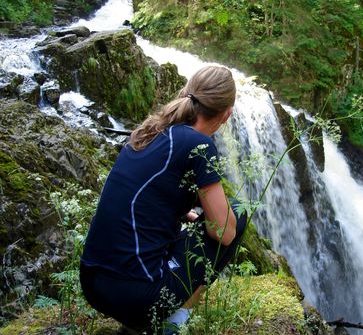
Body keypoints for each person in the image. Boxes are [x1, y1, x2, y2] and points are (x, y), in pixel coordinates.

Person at [80, 66, 247, 334]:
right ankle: (169, 327)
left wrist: (183, 214)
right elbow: (224, 233)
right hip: (138, 296)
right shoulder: (199, 145)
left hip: (92, 283)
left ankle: (137, 324)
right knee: (237, 213)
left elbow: (146, 195)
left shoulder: (149, 131)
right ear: (227, 114)